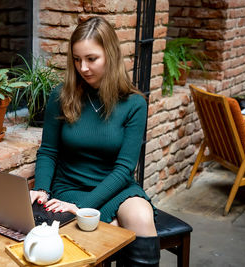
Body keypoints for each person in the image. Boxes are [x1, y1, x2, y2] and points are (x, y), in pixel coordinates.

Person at [29, 17, 160, 267]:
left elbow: (124, 170)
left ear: (110, 55)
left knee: (141, 216)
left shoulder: (134, 103)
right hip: (69, 186)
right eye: (77, 59)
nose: (83, 68)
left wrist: (82, 207)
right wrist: (43, 190)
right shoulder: (61, 95)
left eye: (91, 59)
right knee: (107, 229)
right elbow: (48, 151)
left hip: (115, 187)